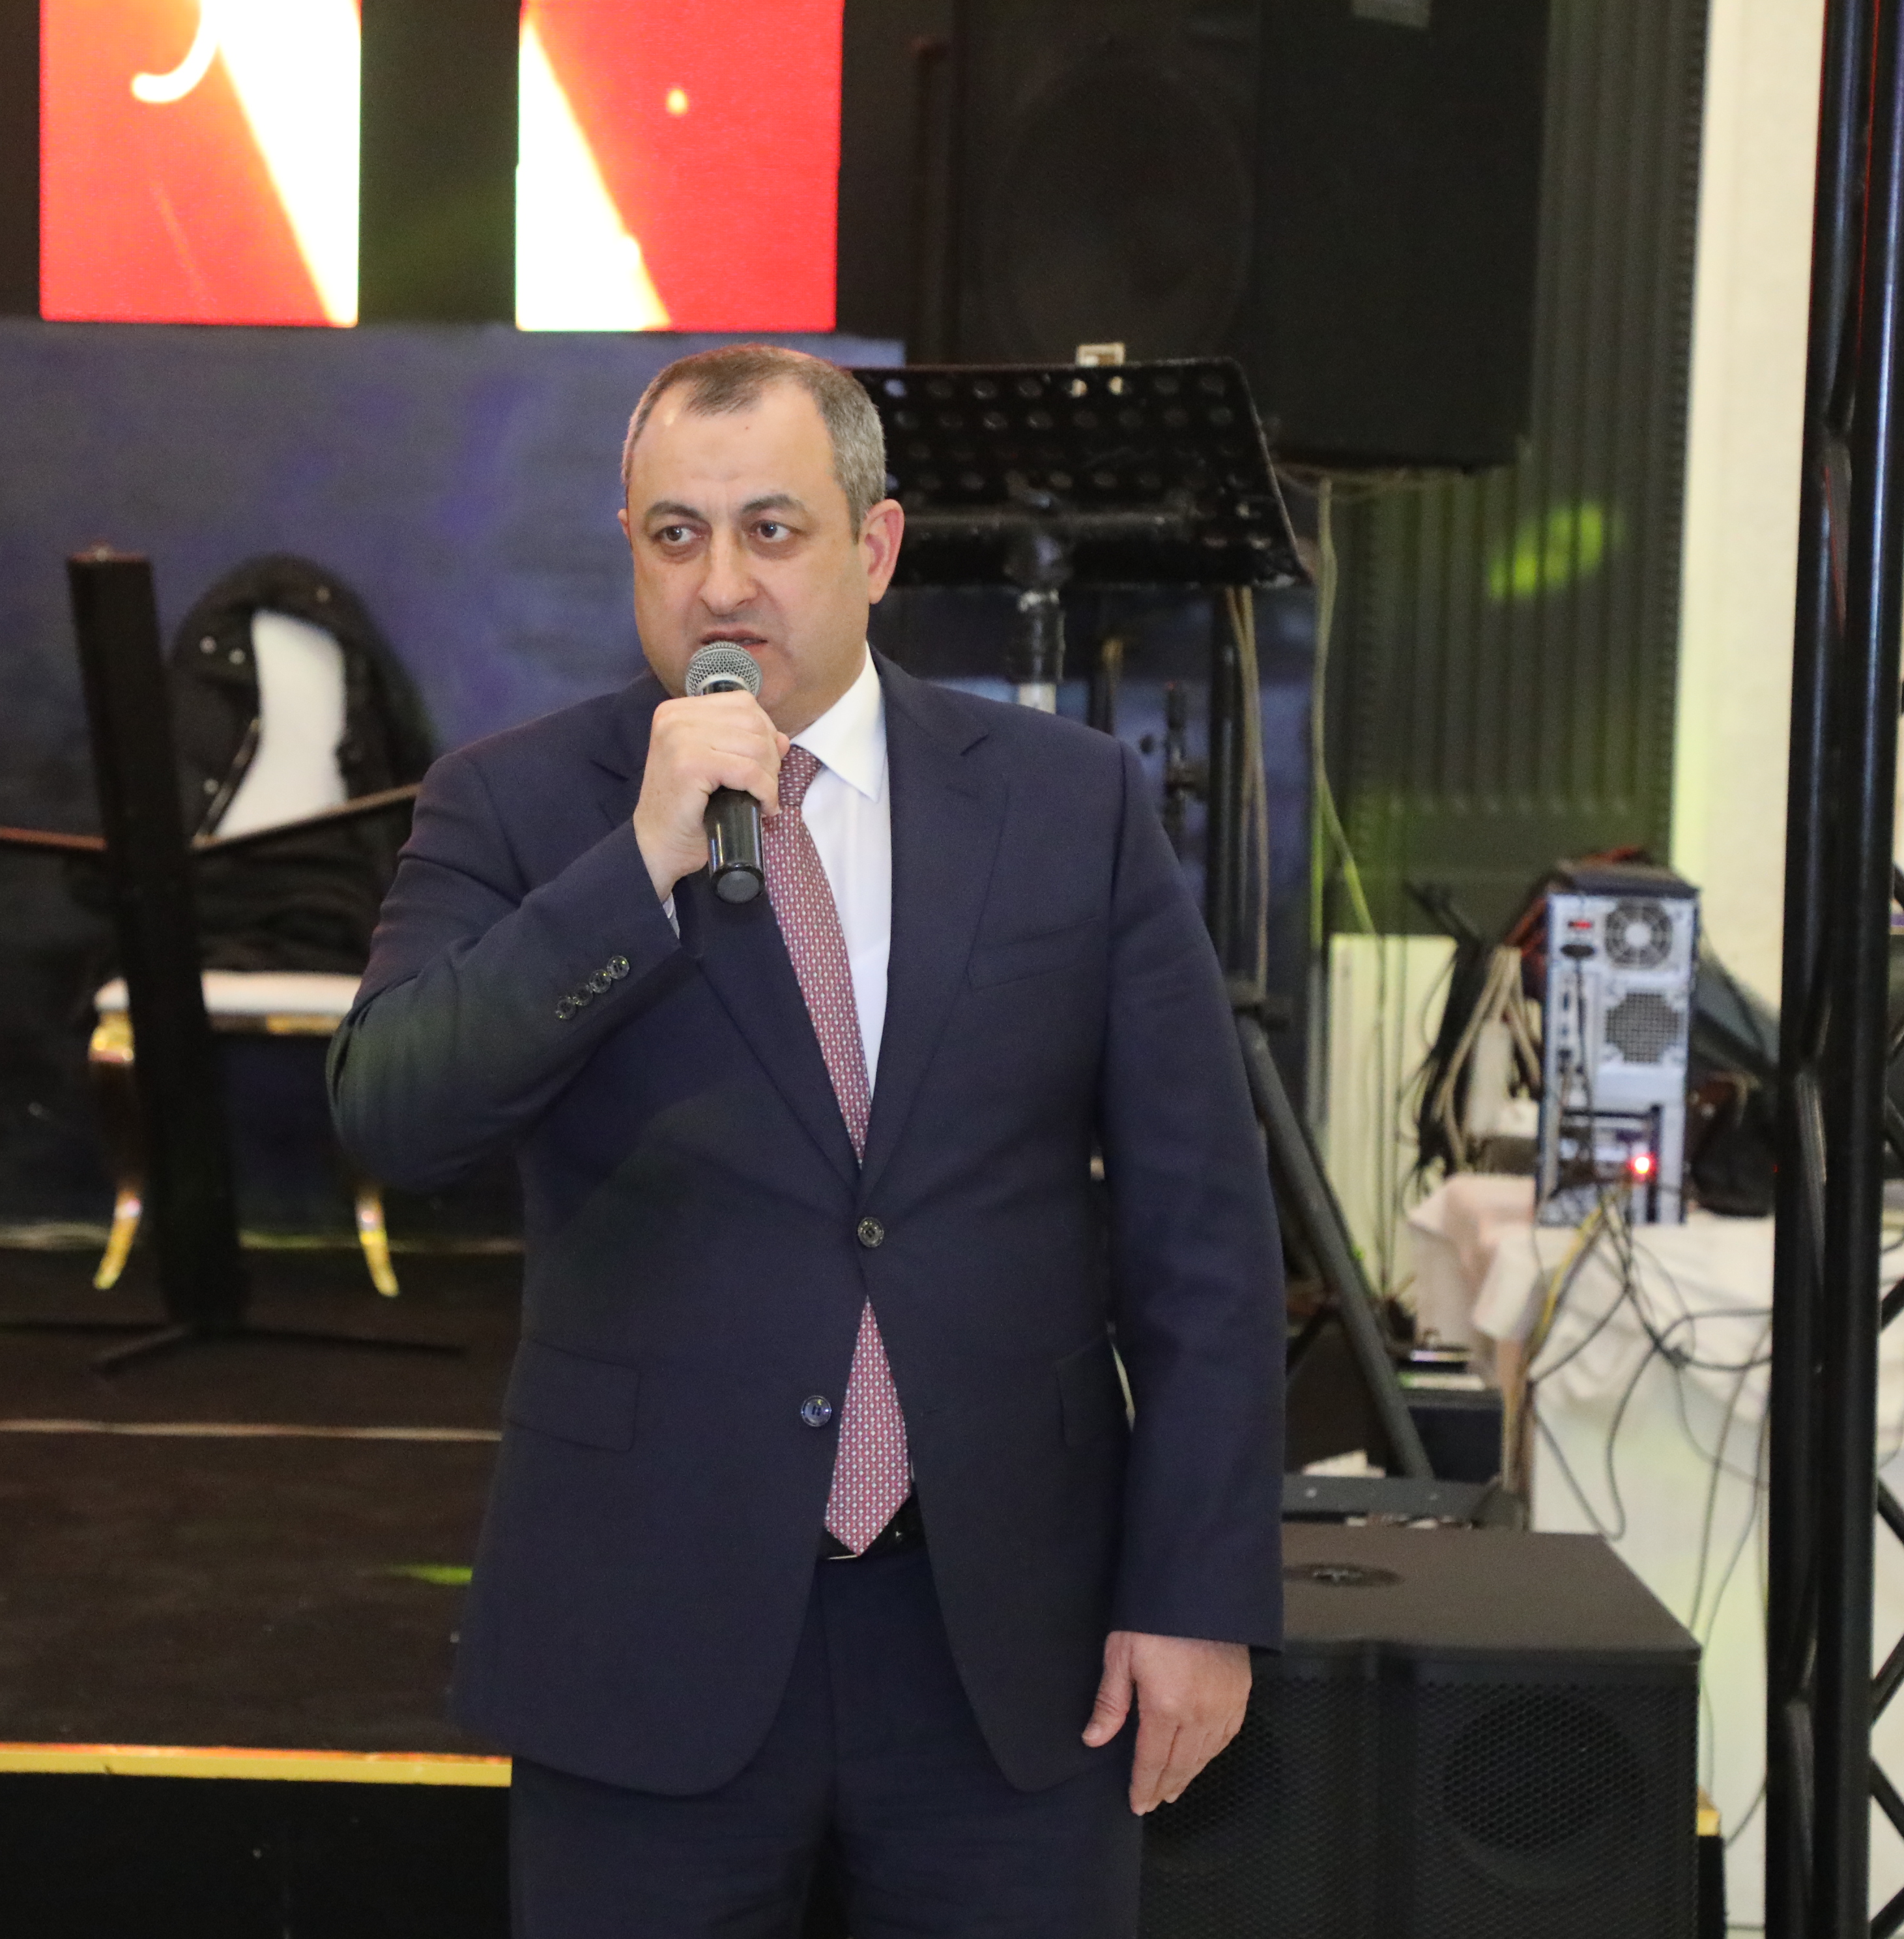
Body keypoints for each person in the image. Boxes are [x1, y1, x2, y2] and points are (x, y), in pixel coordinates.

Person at [328, 344, 1282, 1938]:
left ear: (876, 546)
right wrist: (635, 866)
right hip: (649, 1627)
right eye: (677, 536)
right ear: (630, 550)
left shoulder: (1070, 806)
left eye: (771, 530)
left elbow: (1205, 1237)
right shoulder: (516, 807)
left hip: (1010, 1641)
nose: (723, 584)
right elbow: (393, 1111)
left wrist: (1197, 1594)